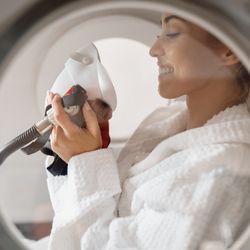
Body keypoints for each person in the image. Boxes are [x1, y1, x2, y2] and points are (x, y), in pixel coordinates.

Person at [44, 12, 250, 250]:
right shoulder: (170, 126)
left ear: (229, 50)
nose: (153, 49)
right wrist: (81, 152)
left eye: (171, 34)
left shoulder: (222, 175)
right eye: (158, 34)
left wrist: (87, 162)